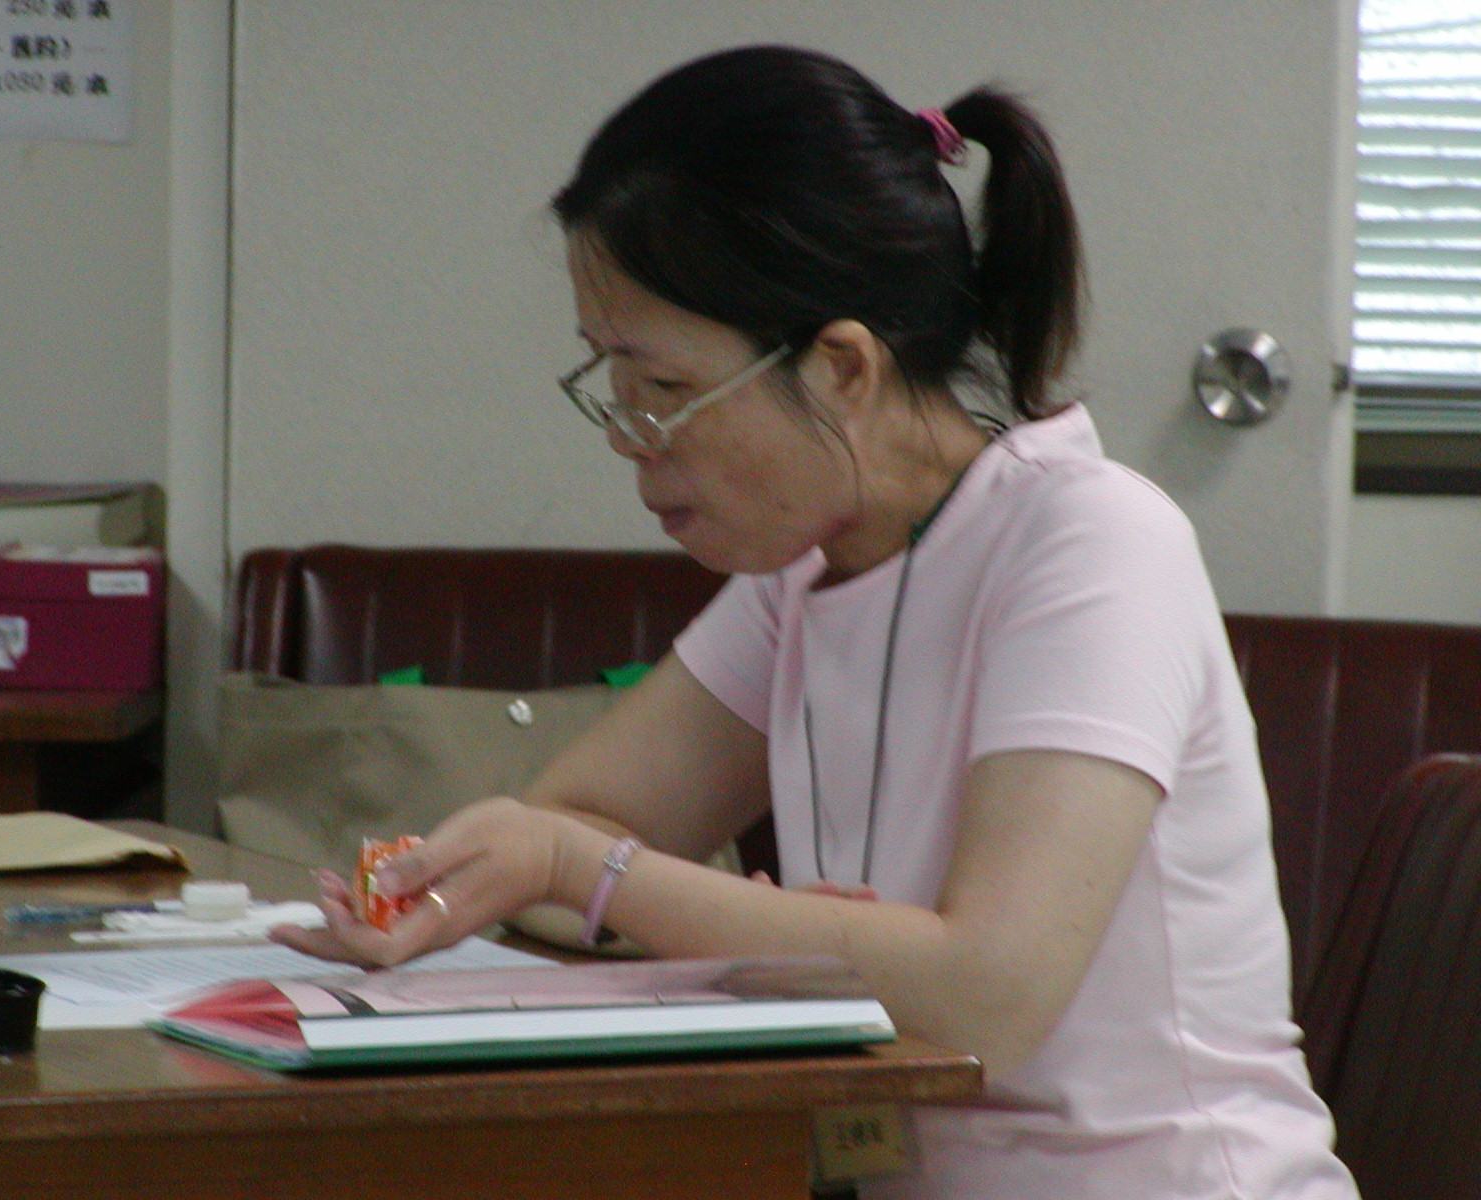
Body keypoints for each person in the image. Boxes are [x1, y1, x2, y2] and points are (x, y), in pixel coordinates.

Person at [272, 44, 1361, 1200]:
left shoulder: (1092, 543)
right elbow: (567, 832)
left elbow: (985, 998)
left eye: (660, 387)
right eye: (607, 382)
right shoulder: (805, 571)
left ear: (842, 367)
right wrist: (730, 916)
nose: (627, 438)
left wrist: (610, 878)